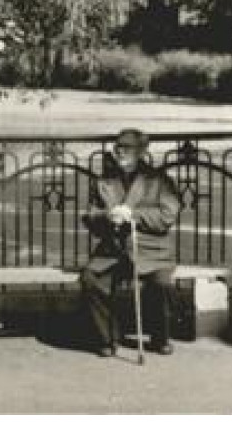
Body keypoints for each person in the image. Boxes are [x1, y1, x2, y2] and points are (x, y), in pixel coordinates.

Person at [79, 128, 182, 357]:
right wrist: (107, 217)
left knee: (161, 283)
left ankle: (160, 337)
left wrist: (132, 213)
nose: (120, 152)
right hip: (113, 252)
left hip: (152, 252)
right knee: (90, 278)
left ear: (142, 151)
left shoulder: (158, 181)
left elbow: (167, 217)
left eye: (127, 148)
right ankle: (108, 338)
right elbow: (89, 217)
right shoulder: (104, 182)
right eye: (118, 147)